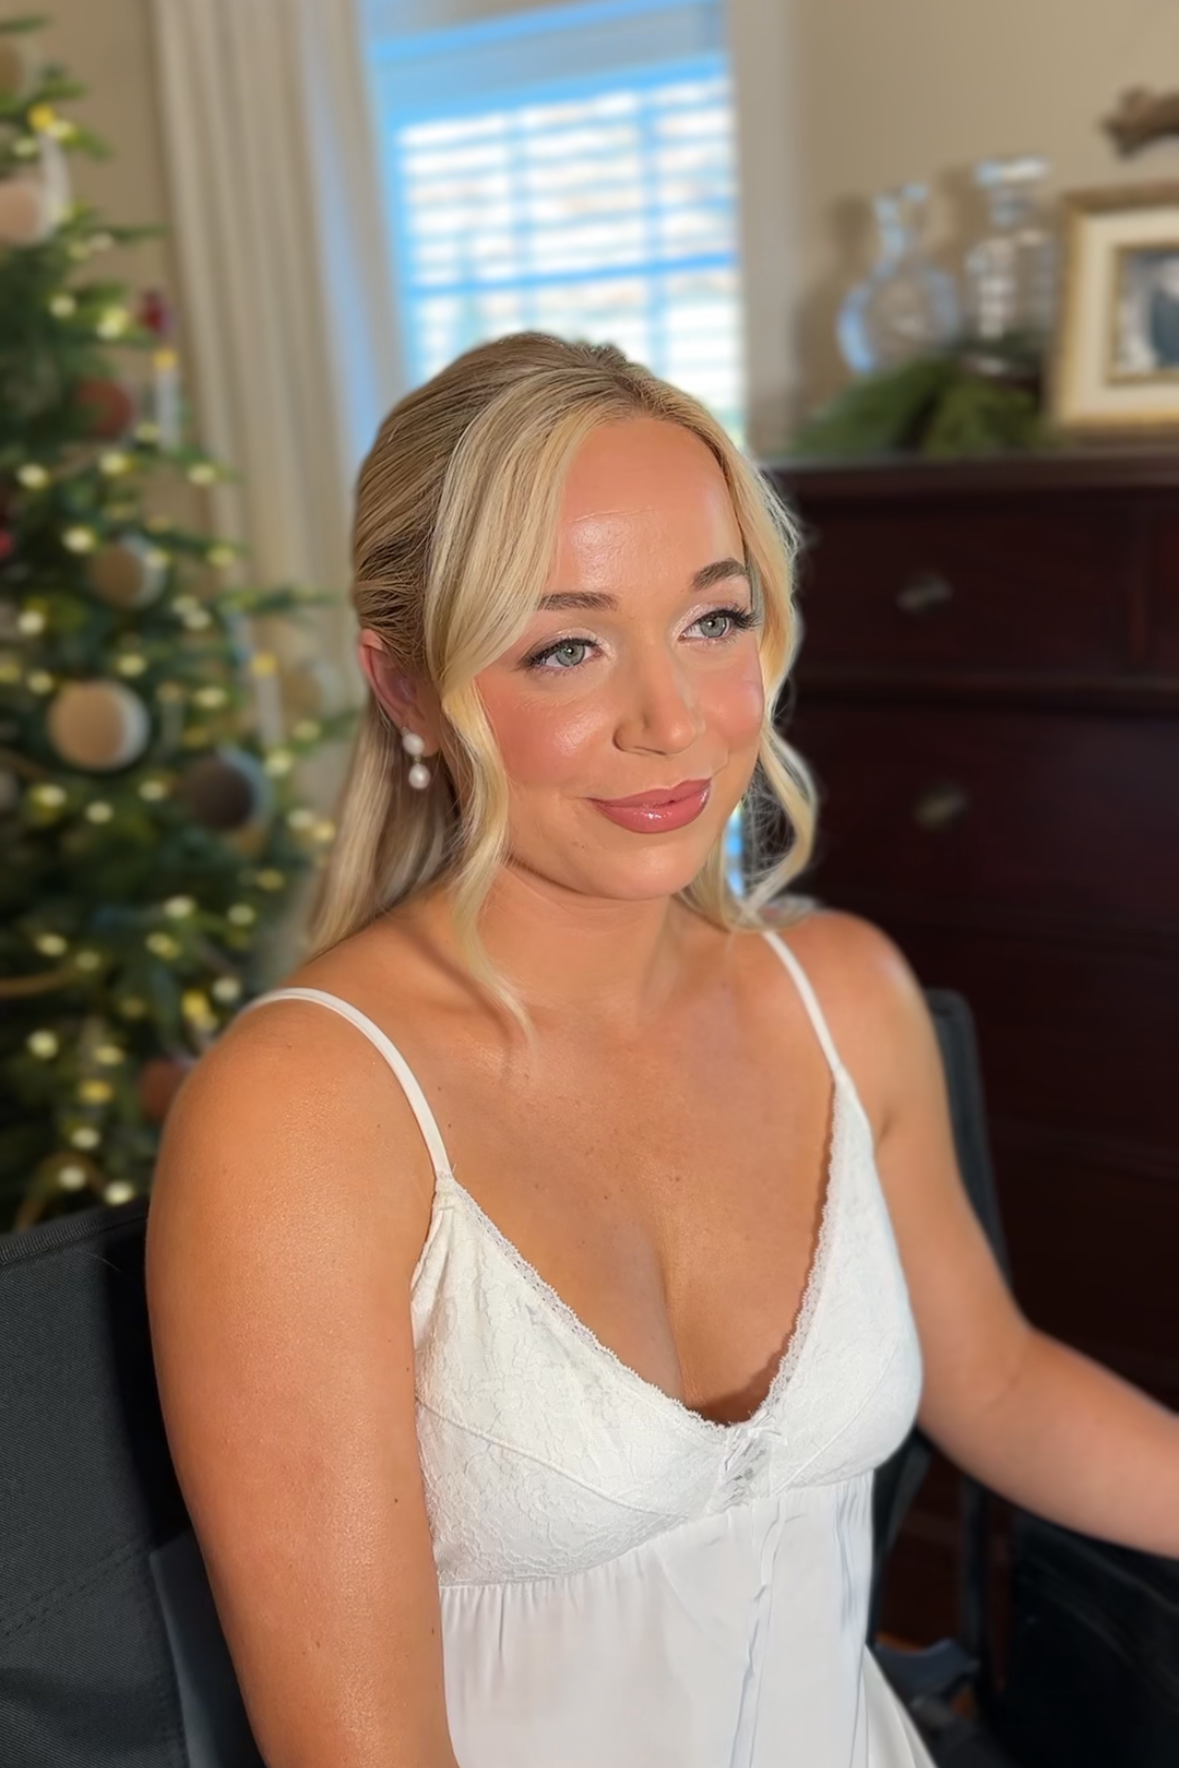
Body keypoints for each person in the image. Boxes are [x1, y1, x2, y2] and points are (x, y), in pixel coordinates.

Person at [145, 333, 1179, 1768]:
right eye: (565, 644)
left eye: (712, 619)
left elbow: (991, 1381)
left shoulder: (842, 995)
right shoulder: (309, 1111)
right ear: (405, 688)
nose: (672, 718)